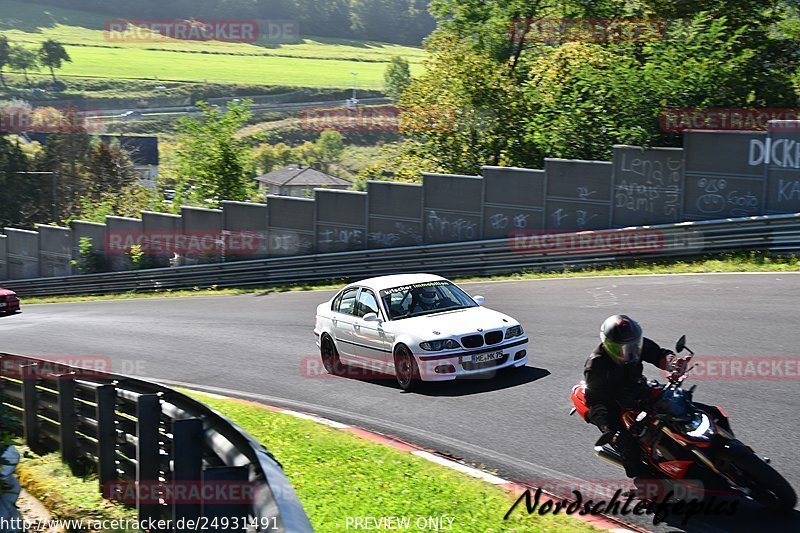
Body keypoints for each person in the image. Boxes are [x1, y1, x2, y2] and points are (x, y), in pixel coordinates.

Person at [583, 314, 689, 478]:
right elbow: (595, 403)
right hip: (615, 407)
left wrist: (673, 363)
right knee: (627, 443)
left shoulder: (635, 344)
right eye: (623, 349)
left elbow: (659, 355)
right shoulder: (596, 366)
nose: (630, 352)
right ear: (609, 345)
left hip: (640, 391)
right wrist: (609, 430)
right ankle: (645, 482)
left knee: (687, 406)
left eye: (633, 346)